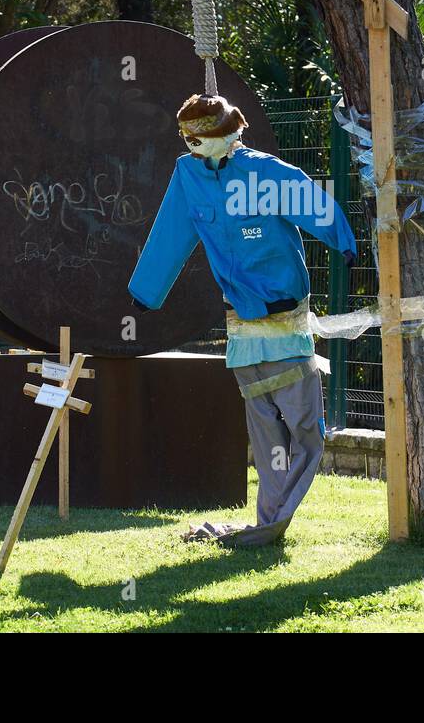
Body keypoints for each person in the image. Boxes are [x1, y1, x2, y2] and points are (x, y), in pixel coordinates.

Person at [128, 93, 356, 546]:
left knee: (306, 434)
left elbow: (308, 199)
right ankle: (269, 521)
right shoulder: (187, 175)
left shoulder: (264, 171)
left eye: (195, 136)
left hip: (288, 329)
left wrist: (343, 241)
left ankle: (272, 523)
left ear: (221, 134)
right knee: (269, 441)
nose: (188, 143)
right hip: (244, 336)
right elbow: (170, 230)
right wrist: (145, 292)